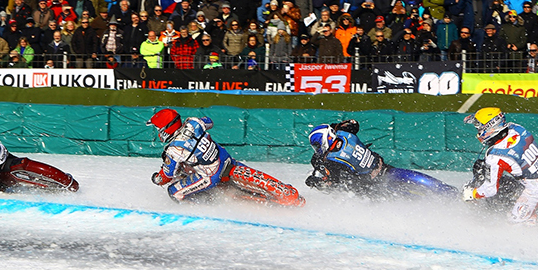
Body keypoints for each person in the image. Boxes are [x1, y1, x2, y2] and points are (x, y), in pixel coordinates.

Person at [148, 108, 304, 205]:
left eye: (158, 128)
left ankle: (203, 208)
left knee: (174, 191)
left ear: (166, 128)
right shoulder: (192, 123)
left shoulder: (174, 150)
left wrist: (157, 179)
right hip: (223, 158)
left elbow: (167, 175)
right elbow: (209, 122)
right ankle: (284, 191)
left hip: (210, 175)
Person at [306, 120, 455, 197]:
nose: (318, 149)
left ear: (324, 140)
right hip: (382, 167)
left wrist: (317, 182)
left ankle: (426, 205)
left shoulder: (332, 160)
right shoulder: (344, 133)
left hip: (371, 185)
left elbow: (335, 184)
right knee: (412, 177)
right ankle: (447, 190)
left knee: (396, 198)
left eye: (317, 145)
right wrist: (336, 126)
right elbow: (354, 123)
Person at [462, 107, 538, 224]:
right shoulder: (516, 128)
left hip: (537, 187)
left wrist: (472, 194)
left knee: (515, 222)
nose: (478, 130)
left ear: (489, 127)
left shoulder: (495, 155)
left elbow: (490, 190)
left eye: (479, 126)